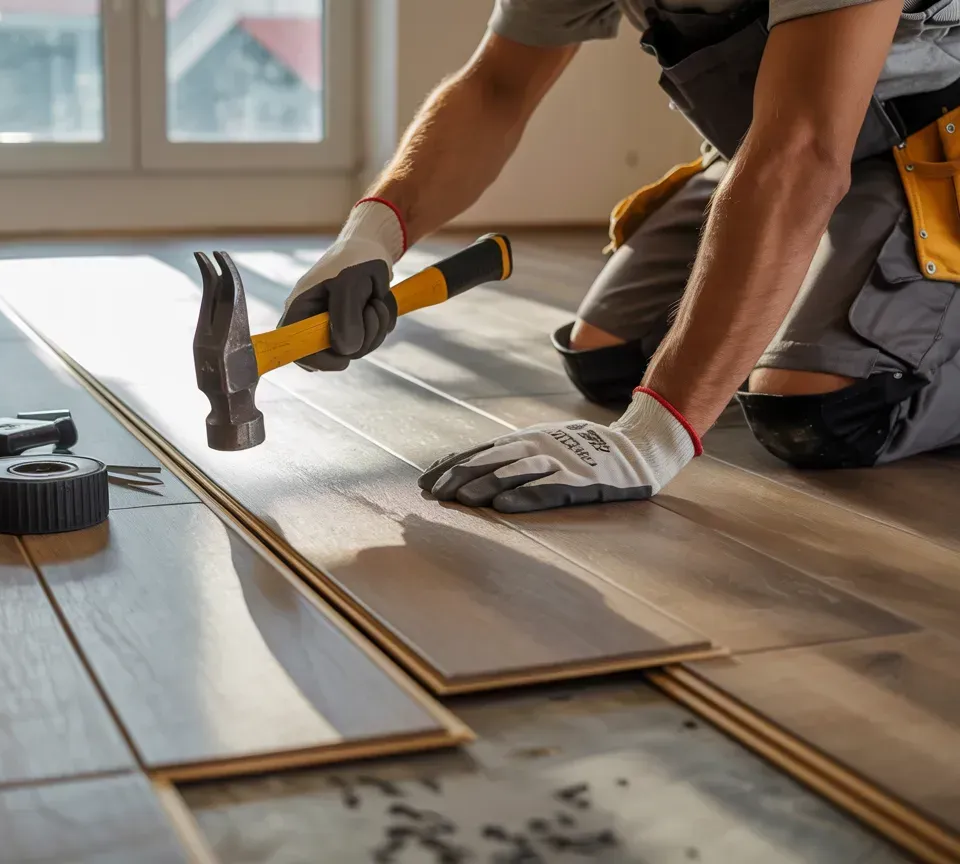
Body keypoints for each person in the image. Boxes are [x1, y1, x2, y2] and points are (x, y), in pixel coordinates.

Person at [279, 0, 960, 513]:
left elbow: (805, 155)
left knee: (819, 413)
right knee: (607, 355)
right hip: (768, 146)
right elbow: (496, 88)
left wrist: (653, 436)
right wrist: (367, 238)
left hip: (926, 146)